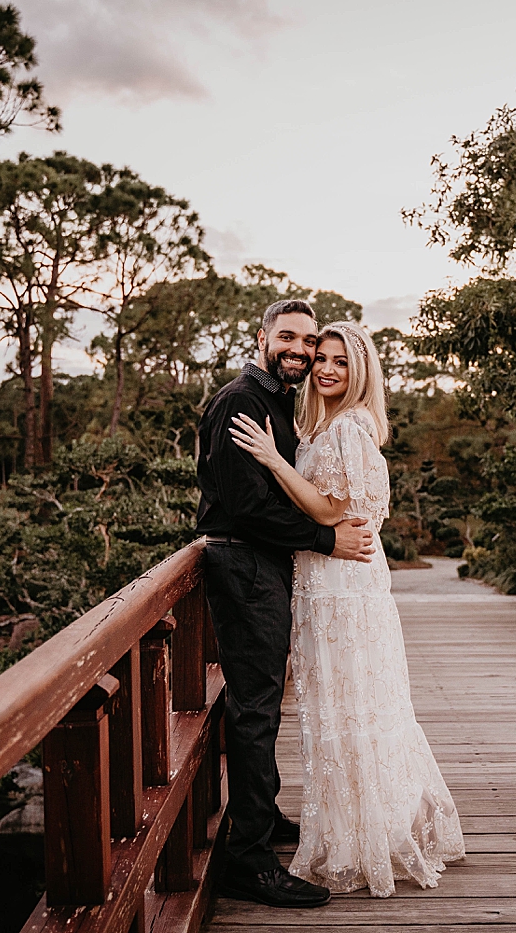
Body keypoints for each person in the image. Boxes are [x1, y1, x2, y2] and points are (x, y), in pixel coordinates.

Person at [229, 320, 466, 898]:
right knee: (338, 703)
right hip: (326, 580)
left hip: (341, 584)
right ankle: (350, 823)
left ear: (360, 371)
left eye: (340, 360)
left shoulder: (351, 429)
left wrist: (272, 460)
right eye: (322, 358)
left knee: (350, 702)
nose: (327, 368)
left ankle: (365, 834)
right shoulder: (324, 424)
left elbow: (333, 511)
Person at [196, 299, 377, 909]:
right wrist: (327, 539)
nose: (301, 352)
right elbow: (246, 508)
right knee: (255, 709)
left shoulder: (283, 402)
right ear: (262, 337)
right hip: (244, 563)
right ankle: (248, 862)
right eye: (291, 339)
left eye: (312, 344)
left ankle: (263, 822)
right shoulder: (241, 402)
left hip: (263, 567)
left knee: (260, 703)